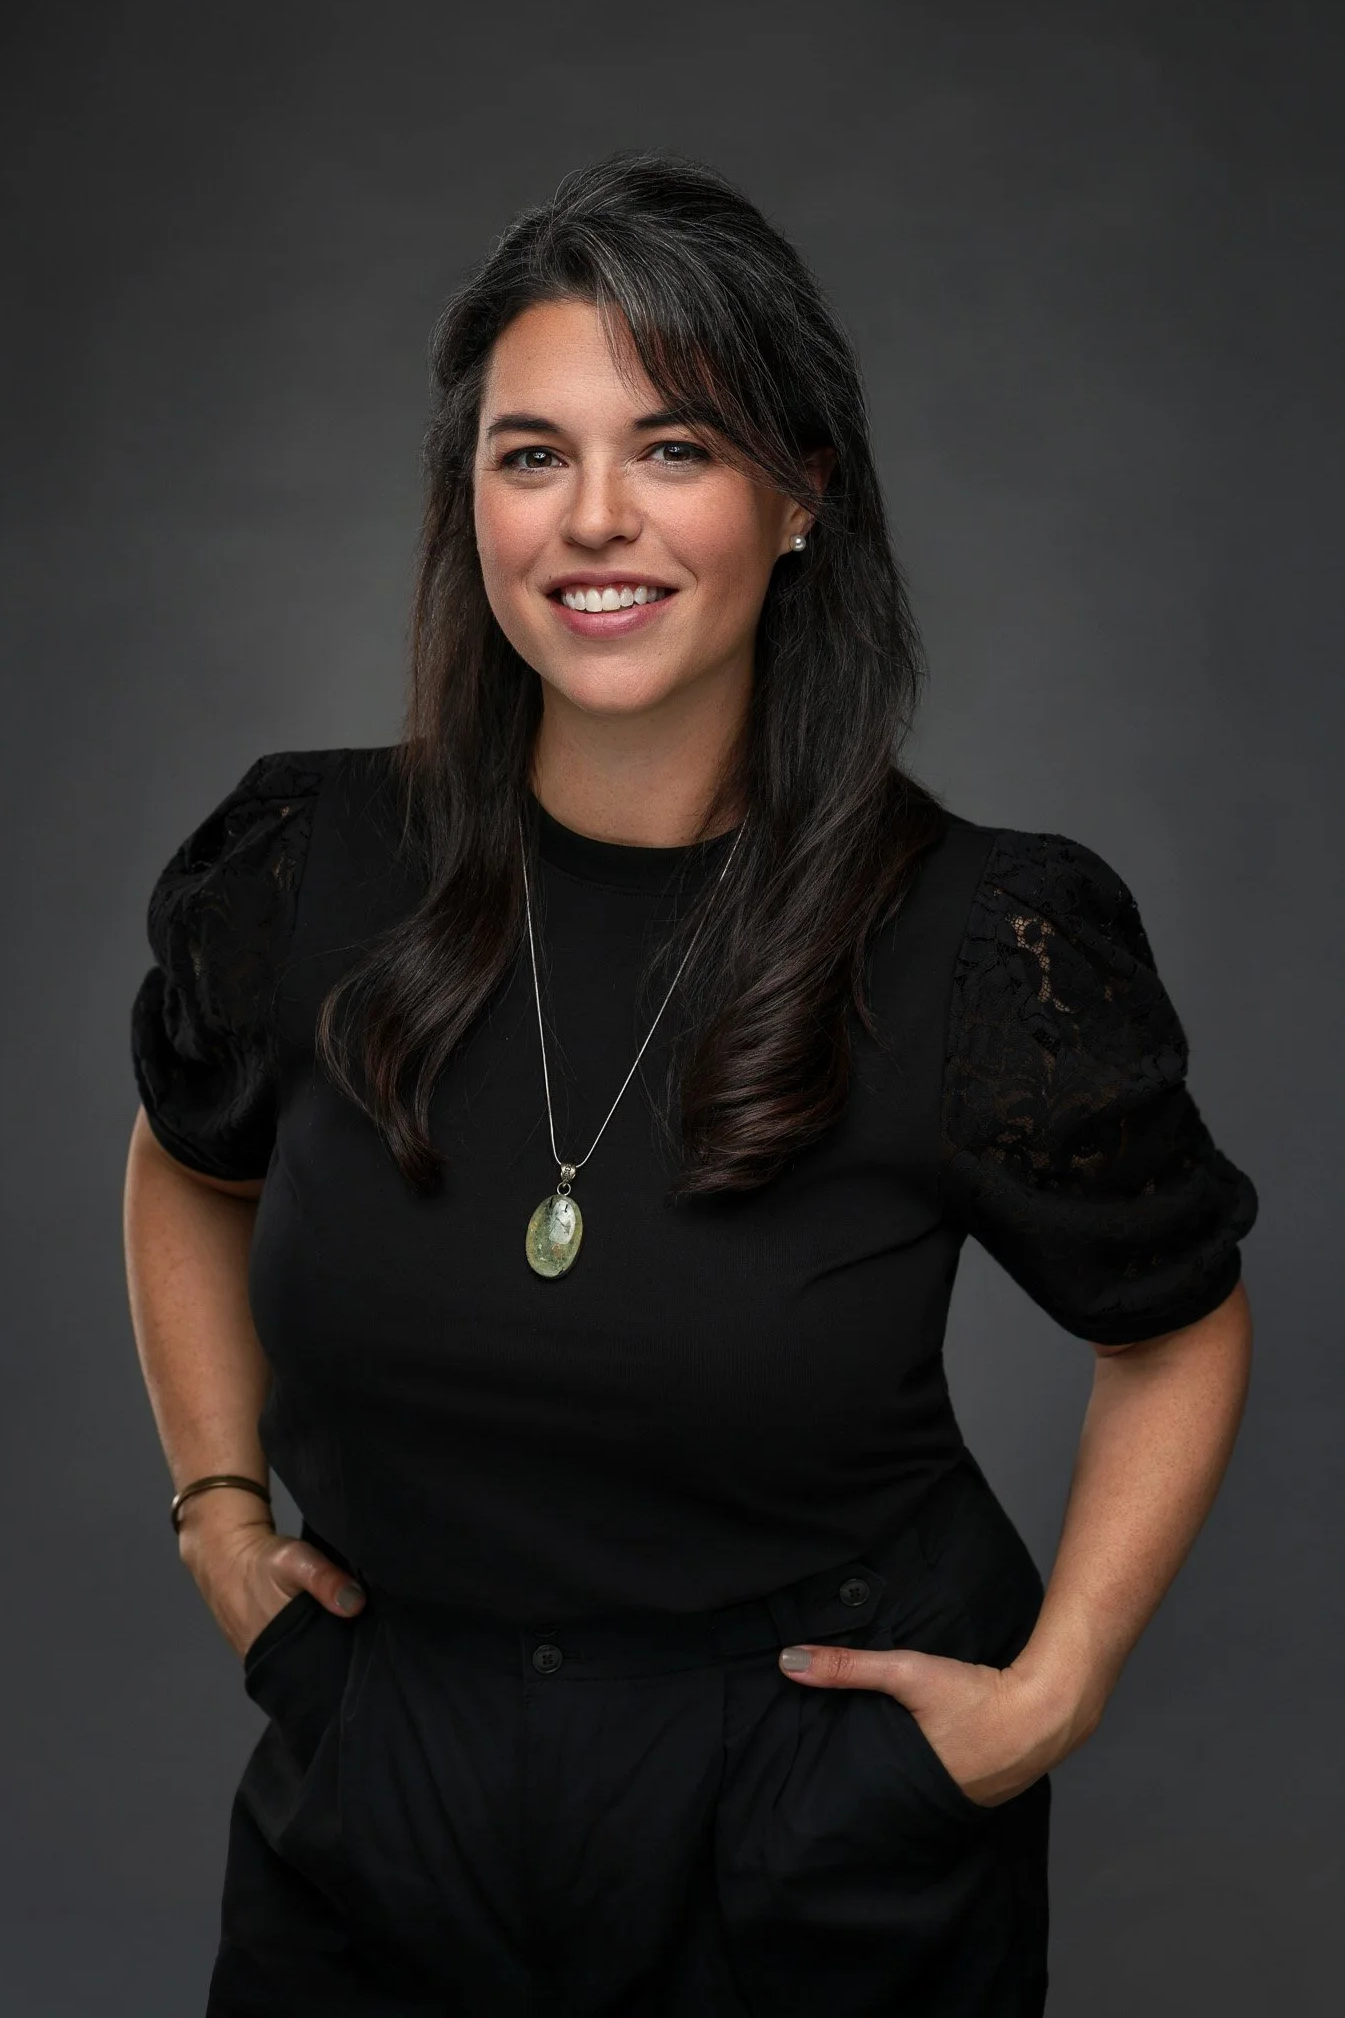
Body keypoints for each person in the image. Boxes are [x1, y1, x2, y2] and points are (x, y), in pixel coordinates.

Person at [123, 151, 1259, 2018]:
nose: (593, 520)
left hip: (810, 1806)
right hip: (381, 1770)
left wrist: (1051, 1693)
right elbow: (184, 1159)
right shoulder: (307, 863)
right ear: (470, 502)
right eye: (531, 454)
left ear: (800, 496)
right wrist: (221, 1522)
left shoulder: (980, 941)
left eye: (674, 448)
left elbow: (1180, 1321)